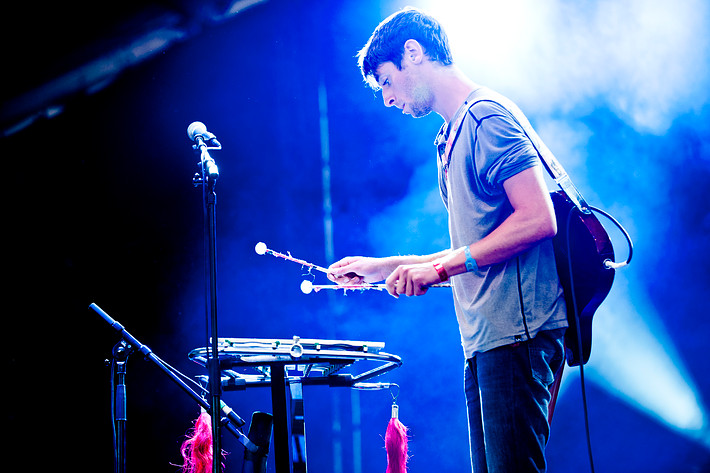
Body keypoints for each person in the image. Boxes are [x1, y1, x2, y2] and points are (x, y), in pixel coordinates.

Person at [327, 7, 568, 473]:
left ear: (413, 53)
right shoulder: (451, 136)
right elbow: (475, 250)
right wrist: (383, 269)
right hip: (487, 343)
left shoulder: (485, 117)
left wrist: (436, 269)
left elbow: (539, 219)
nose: (387, 99)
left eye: (386, 81)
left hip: (517, 336)